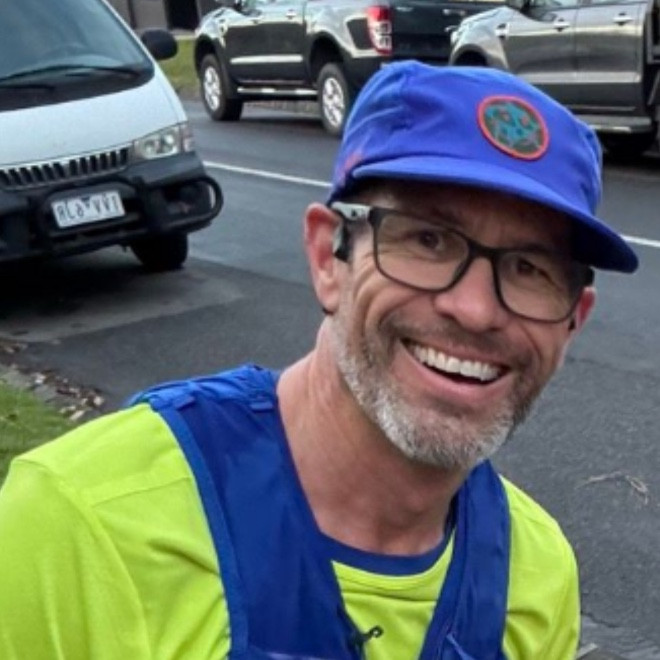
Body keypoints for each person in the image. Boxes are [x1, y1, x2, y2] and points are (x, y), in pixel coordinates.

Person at [0, 61, 638, 660]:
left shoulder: (535, 572)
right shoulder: (83, 522)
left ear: (572, 322)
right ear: (327, 257)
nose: (474, 309)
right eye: (427, 239)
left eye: (530, 269)